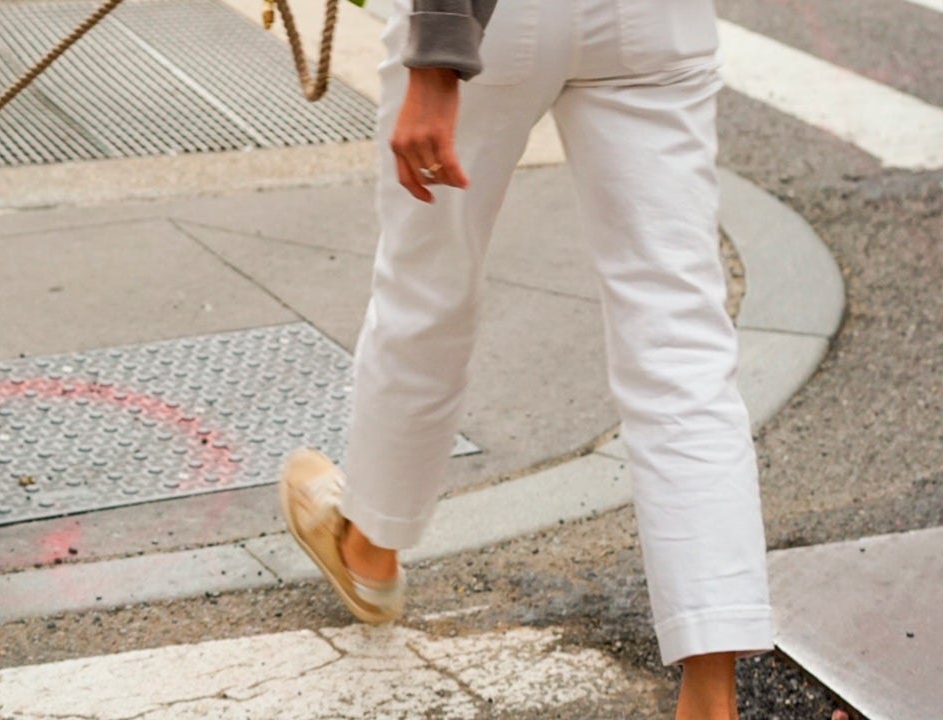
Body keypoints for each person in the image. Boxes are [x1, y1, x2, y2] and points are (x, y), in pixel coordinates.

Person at [278, 1, 773, 718]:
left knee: (428, 290)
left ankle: (371, 550)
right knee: (680, 342)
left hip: (495, 21)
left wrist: (435, 57)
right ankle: (710, 698)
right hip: (657, 23)